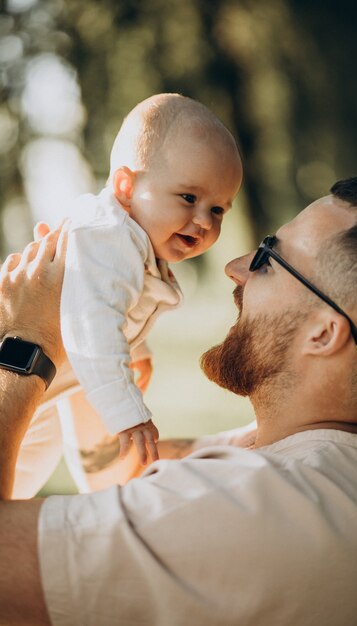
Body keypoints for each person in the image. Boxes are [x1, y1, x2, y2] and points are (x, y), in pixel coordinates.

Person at [1, 176, 357, 626]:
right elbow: (120, 475)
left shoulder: (245, 504)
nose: (236, 267)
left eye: (268, 258)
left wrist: (25, 342)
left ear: (324, 333)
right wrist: (93, 337)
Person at [12, 93, 243, 498]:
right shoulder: (111, 237)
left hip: (51, 376)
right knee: (19, 475)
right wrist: (128, 416)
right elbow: (93, 323)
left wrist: (137, 345)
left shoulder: (130, 238)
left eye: (219, 209)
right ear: (125, 185)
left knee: (22, 476)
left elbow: (104, 296)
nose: (204, 220)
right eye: (189, 197)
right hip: (25, 361)